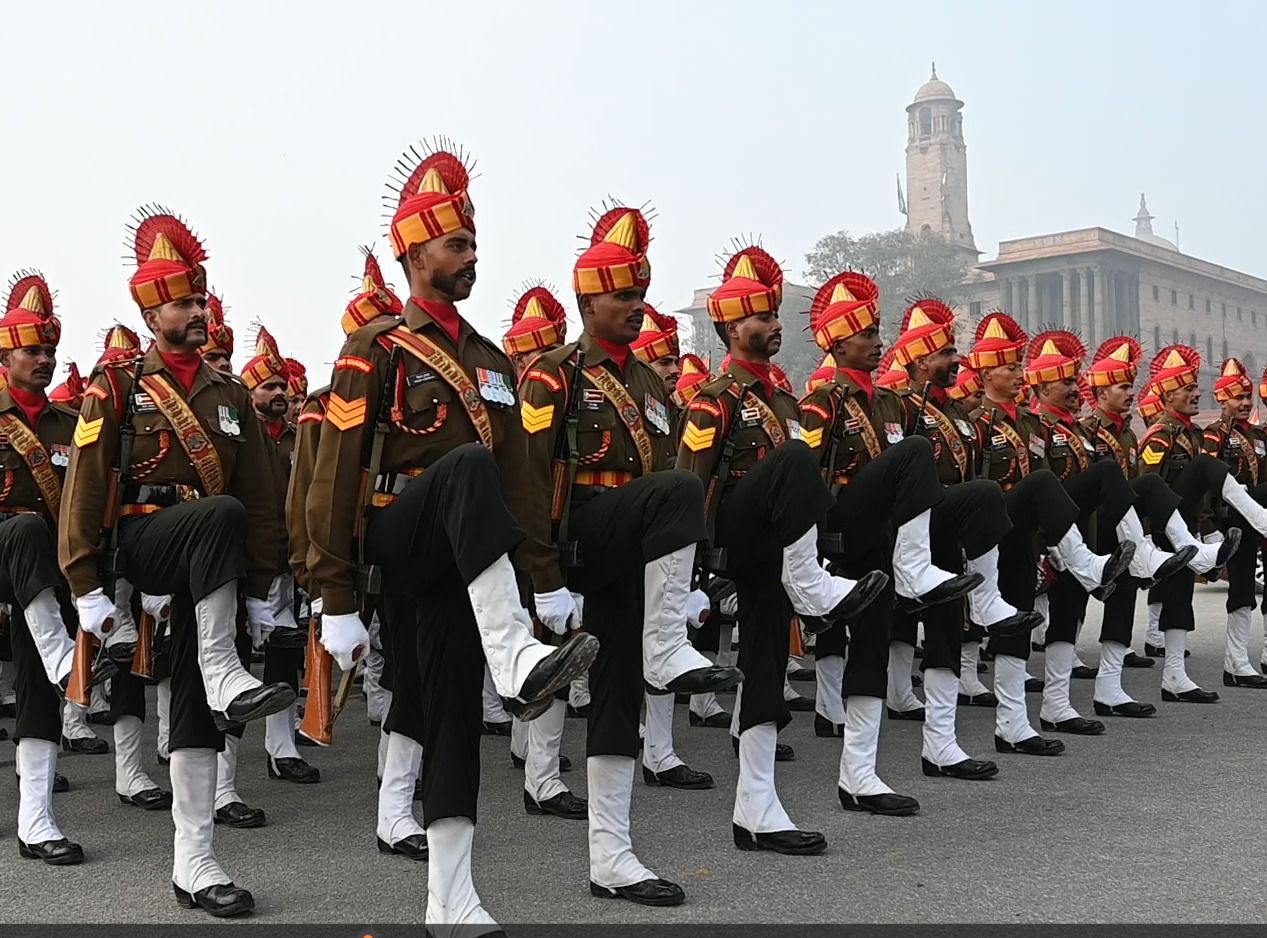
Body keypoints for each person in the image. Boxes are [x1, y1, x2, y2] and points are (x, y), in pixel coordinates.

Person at [305, 141, 596, 932]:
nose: (471, 257)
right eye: (456, 244)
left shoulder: (492, 361)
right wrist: (333, 594)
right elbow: (334, 473)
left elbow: (523, 486)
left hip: (469, 565)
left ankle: (452, 898)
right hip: (398, 536)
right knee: (467, 463)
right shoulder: (375, 348)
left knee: (452, 720)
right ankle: (515, 657)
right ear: (415, 254)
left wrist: (544, 579)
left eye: (473, 244)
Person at [59, 207, 294, 916]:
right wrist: (87, 588)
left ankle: (195, 864)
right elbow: (86, 486)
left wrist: (261, 589)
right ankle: (224, 669)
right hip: (145, 547)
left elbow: (259, 499)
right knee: (215, 516)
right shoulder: (120, 384)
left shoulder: (230, 398)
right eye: (184, 302)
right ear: (152, 310)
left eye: (201, 299)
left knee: (193, 704)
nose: (199, 310)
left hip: (211, 569)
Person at [519, 202, 740, 906]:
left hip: (634, 546)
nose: (636, 308)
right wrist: (546, 578)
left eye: (641, 295)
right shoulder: (553, 375)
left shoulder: (650, 384)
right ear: (587, 301)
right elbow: (528, 478)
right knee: (679, 486)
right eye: (621, 296)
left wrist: (687, 574)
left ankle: (612, 858)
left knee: (616, 701)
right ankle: (667, 646)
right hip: (581, 531)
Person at [678, 243, 892, 849]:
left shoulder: (785, 401)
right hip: (740, 544)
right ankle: (811, 582)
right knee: (797, 455)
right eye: (761, 317)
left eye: (775, 316)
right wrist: (697, 576)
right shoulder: (714, 398)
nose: (773, 326)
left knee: (766, 670)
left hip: (781, 547)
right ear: (729, 327)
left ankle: (756, 807)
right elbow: (696, 487)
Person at [883, 296, 1047, 781]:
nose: (958, 361)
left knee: (946, 636)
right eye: (946, 353)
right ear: (918, 359)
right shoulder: (894, 406)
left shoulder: (954, 415)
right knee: (911, 633)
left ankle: (941, 745)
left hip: (951, 531)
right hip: (910, 535)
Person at [965, 313, 1132, 761]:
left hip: (1038, 535)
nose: (1019, 374)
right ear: (986, 374)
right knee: (1007, 619)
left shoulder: (1031, 426)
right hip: (992, 535)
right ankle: (1010, 719)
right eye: (1011, 368)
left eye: (1021, 366)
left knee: (1043, 616)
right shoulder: (974, 422)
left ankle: (1038, 714)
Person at [0, 270, 96, 865]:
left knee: (38, 693)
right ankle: (64, 656)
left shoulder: (69, 423)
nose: (44, 360)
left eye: (51, 351)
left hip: (41, 573)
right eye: (33, 350)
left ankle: (36, 822)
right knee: (27, 527)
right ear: (6, 353)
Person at [500, 282, 585, 818]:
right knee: (528, 647)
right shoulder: (499, 393)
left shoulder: (566, 383)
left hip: (552, 530)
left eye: (540, 348)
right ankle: (533, 762)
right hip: (511, 536)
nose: (530, 360)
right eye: (522, 351)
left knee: (552, 648)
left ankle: (540, 768)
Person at [629, 303, 712, 792]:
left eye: (675, 364)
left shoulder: (676, 413)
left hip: (662, 544)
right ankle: (540, 772)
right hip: (615, 542)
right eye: (663, 364)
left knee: (663, 644)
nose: (674, 373)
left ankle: (659, 751)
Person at [240, 327, 320, 779]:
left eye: (282, 388)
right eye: (268, 386)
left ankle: (282, 747)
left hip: (290, 561)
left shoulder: (295, 437)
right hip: (251, 564)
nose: (279, 394)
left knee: (284, 653)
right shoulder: (241, 437)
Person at [1201, 358, 1267, 689]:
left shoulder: (1257, 435)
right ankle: (1236, 662)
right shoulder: (1213, 437)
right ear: (1222, 400)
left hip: (1261, 519)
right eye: (1236, 398)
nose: (1243, 403)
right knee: (1241, 588)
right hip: (1234, 520)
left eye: (1246, 397)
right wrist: (1209, 527)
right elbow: (1208, 488)